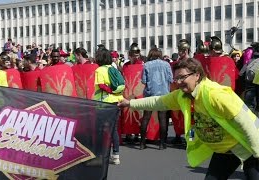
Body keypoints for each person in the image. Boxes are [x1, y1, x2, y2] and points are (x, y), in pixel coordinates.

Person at [118, 58, 259, 179]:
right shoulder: (182, 95)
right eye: (176, 78)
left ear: (197, 75)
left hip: (248, 147)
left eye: (182, 77)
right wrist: (129, 103)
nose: (178, 82)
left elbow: (245, 121)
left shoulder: (215, 95)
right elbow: (158, 102)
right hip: (224, 150)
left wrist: (257, 152)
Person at [94, 48, 123, 165]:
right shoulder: (113, 68)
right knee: (113, 129)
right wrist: (115, 93)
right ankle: (116, 155)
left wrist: (110, 91)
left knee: (100, 130)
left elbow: (100, 85)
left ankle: (100, 156)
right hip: (116, 101)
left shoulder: (99, 70)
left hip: (103, 103)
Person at [140, 48, 173, 150]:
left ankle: (142, 143)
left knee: (146, 118)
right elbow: (171, 79)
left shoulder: (146, 65)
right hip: (163, 94)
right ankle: (162, 143)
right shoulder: (166, 64)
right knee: (162, 119)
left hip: (150, 94)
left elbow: (143, 81)